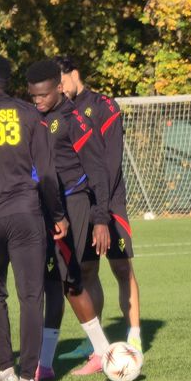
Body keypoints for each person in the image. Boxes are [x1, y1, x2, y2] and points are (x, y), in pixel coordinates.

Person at [0, 54, 67, 381]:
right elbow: (46, 173)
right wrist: (57, 214)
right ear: (7, 80)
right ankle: (29, 379)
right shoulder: (29, 113)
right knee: (31, 295)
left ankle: (5, 371)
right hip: (25, 213)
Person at [25, 59, 116, 380]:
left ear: (59, 87)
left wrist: (101, 218)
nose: (38, 101)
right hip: (46, 208)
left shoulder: (74, 120)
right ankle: (45, 365)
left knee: (68, 281)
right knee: (52, 283)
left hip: (74, 205)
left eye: (43, 95)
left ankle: (104, 353)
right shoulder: (37, 118)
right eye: (33, 96)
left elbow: (98, 170)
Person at [55, 57, 143, 354]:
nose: (58, 88)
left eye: (60, 81)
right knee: (87, 271)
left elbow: (111, 162)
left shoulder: (105, 106)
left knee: (121, 267)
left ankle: (134, 336)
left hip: (109, 201)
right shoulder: (61, 113)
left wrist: (102, 206)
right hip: (81, 204)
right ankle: (96, 342)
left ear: (74, 74)